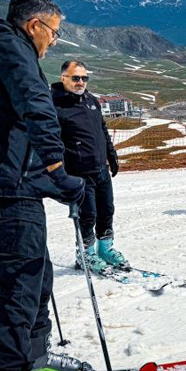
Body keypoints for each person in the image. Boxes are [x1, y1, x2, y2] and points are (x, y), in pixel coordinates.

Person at [0, 0, 90, 371]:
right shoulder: (11, 50)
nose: (54, 40)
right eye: (54, 32)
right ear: (34, 25)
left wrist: (44, 178)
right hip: (7, 188)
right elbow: (37, 107)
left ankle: (35, 359)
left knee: (36, 274)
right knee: (20, 286)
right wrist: (58, 171)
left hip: (0, 183)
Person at [51, 60, 128, 274]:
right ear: (63, 77)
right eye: (76, 78)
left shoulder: (91, 101)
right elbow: (52, 142)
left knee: (107, 211)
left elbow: (102, 130)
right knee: (88, 215)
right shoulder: (55, 106)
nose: (81, 82)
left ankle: (105, 249)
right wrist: (60, 175)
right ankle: (85, 254)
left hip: (100, 170)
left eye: (85, 78)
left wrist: (111, 156)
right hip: (79, 174)